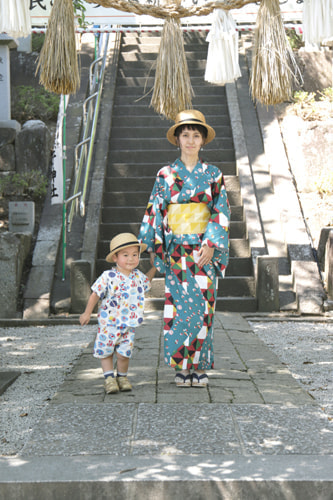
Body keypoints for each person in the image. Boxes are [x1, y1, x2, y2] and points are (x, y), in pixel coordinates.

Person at [138, 110, 230, 388]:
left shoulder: (213, 175)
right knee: (178, 309)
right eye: (185, 135)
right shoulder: (165, 174)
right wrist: (154, 245)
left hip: (203, 251)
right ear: (177, 139)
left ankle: (199, 365)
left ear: (203, 141)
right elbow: (156, 210)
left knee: (203, 308)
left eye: (196, 136)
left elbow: (220, 211)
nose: (190, 140)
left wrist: (213, 244)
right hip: (176, 251)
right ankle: (181, 366)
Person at [80, 233, 156, 394]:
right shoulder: (108, 276)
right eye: (126, 255)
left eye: (135, 255)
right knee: (106, 352)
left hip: (129, 324)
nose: (131, 259)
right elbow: (95, 294)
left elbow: (147, 282)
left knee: (124, 354)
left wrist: (155, 267)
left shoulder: (137, 276)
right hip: (109, 323)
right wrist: (87, 313)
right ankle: (109, 379)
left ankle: (122, 376)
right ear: (115, 257)